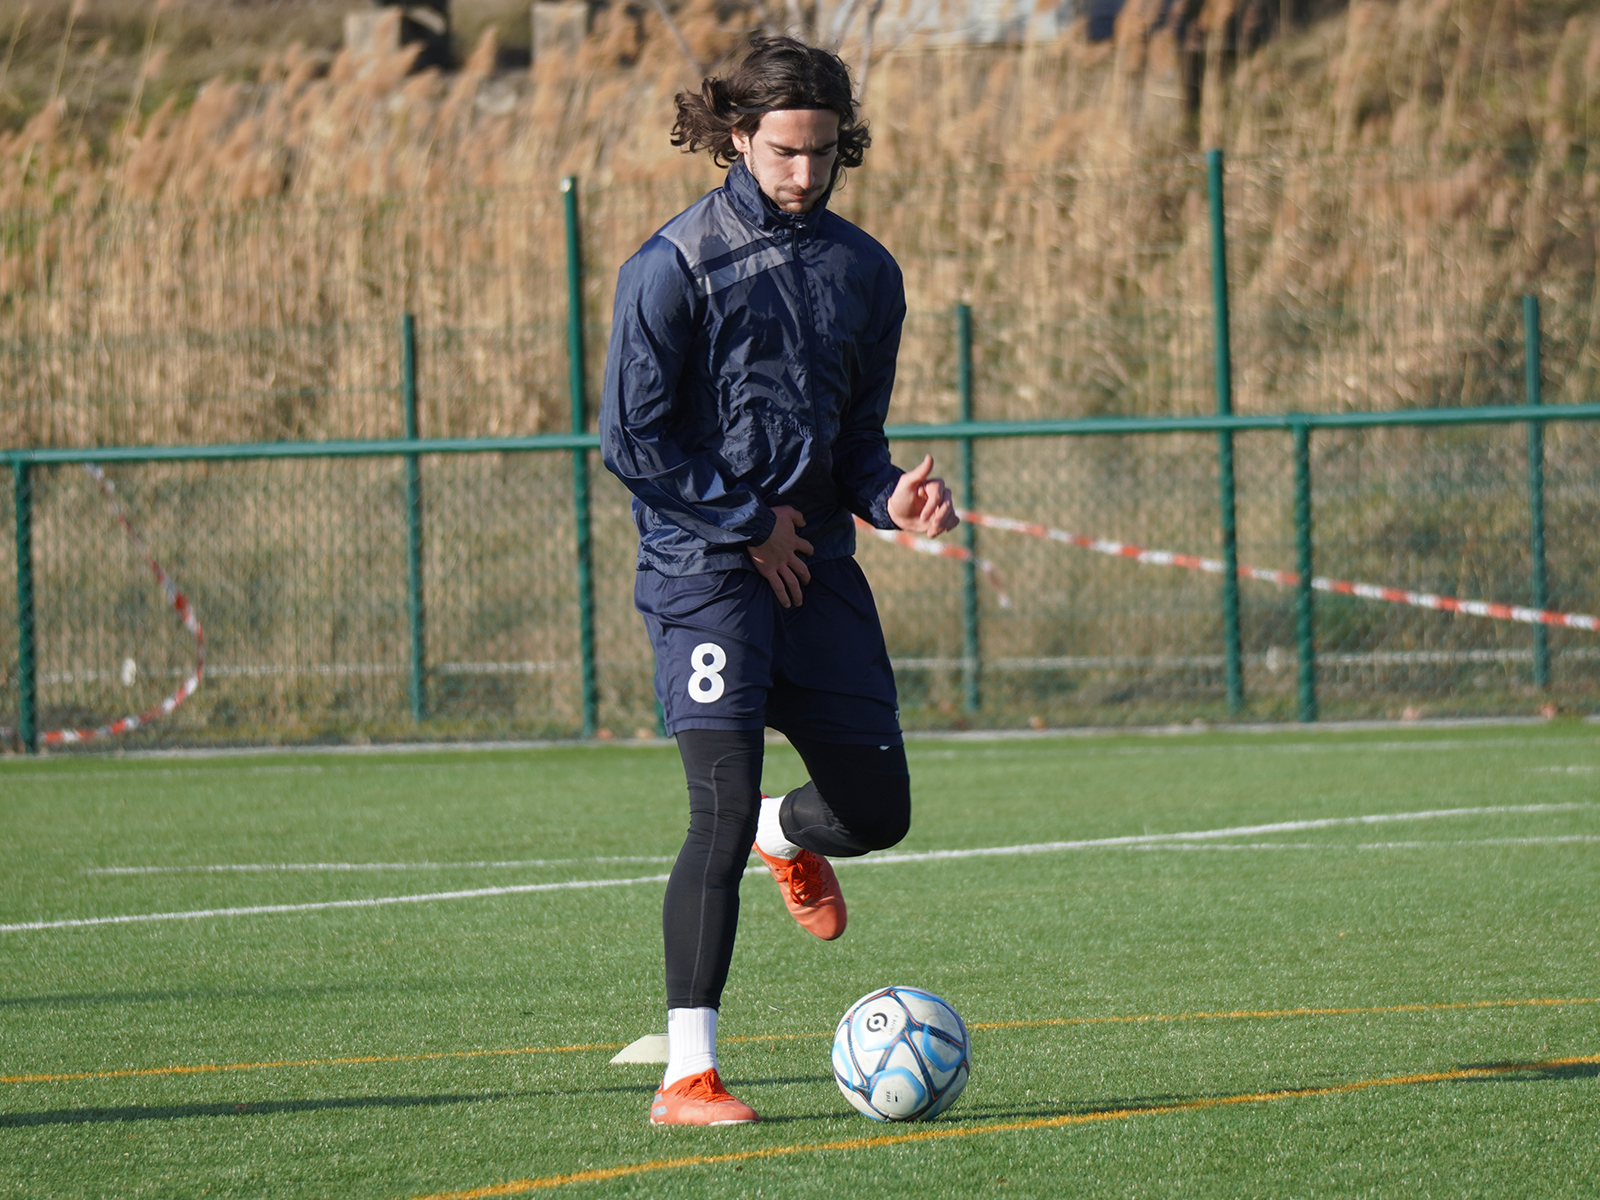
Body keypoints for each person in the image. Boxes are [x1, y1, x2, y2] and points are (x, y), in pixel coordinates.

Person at [599, 35, 959, 1127]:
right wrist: (749, 521)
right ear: (735, 139)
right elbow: (632, 439)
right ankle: (687, 1076)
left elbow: (857, 440)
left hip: (818, 574)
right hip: (707, 573)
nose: (803, 175)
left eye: (821, 155)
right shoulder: (672, 267)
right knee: (711, 812)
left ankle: (786, 832)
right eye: (781, 153)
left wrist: (888, 495)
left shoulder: (866, 271)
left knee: (879, 810)